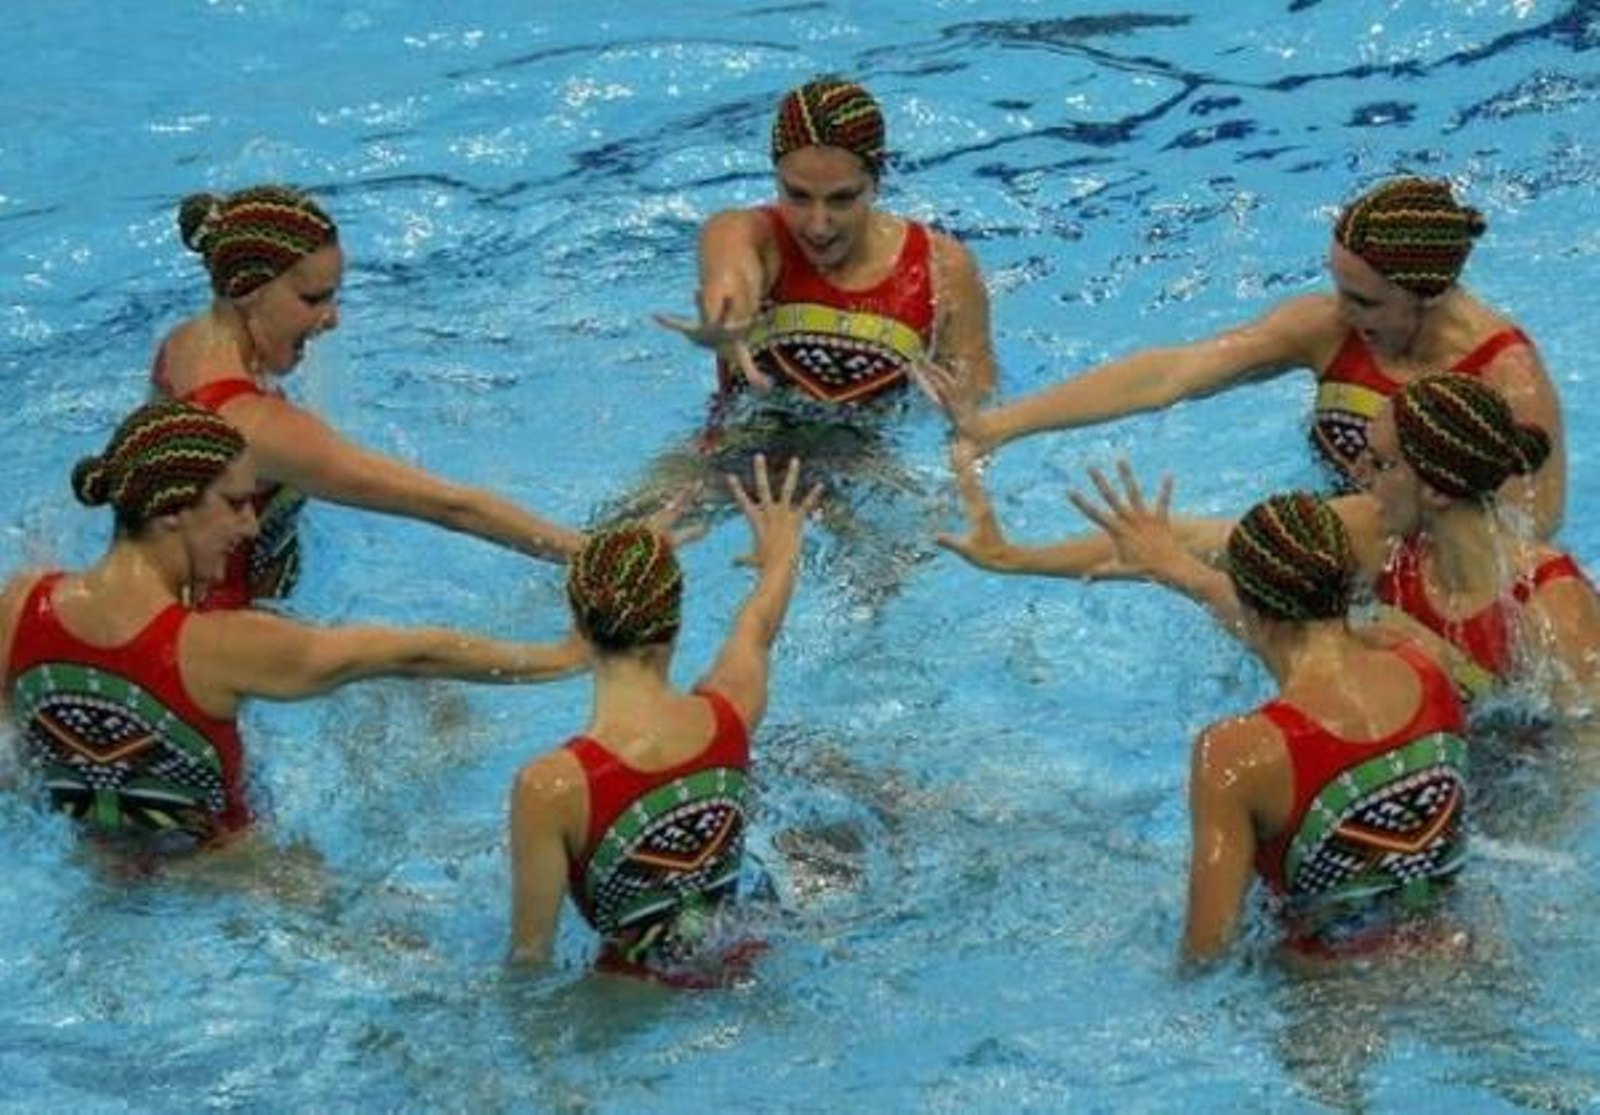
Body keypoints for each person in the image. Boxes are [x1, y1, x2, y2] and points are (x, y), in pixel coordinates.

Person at [940, 459, 1471, 963]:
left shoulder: (1239, 754)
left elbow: (1208, 951)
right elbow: (1296, 626)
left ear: (1256, 613)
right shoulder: (1427, 662)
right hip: (1460, 942)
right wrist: (1179, 568)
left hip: (1329, 996)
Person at [0, 401, 587, 852]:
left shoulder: (23, 602)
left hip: (93, 863)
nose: (252, 528)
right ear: (173, 510)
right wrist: (564, 658)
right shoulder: (216, 646)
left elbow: (15, 767)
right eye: (234, 504)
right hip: (226, 874)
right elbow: (412, 655)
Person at [919, 176, 1566, 538]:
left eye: (1364, 301)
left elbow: (1519, 539)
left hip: (1411, 556)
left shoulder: (1504, 380)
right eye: (1337, 287)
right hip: (1329, 538)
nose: (1340, 312)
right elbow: (1173, 373)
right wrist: (1000, 424)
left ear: (1429, 292)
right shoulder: (1330, 325)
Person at [940, 373, 1600, 713]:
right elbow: (1196, 542)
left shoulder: (1551, 604)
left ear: (1438, 490)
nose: (1361, 476)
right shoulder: (1378, 533)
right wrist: (1016, 557)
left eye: (1382, 465)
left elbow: (1579, 769)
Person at [152, 184, 585, 608]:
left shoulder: (184, 345)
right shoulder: (260, 429)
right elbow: (456, 508)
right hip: (236, 655)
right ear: (247, 290)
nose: (332, 319)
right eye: (312, 299)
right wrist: (592, 556)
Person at [507, 455, 821, 984]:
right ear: (676, 622)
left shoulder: (551, 787)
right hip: (740, 954)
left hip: (631, 1004)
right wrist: (782, 552)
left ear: (578, 624)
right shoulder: (731, 711)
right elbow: (758, 623)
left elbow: (528, 965)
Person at [655, 76, 996, 416]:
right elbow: (731, 285)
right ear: (776, 178)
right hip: (728, 461)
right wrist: (725, 324)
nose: (818, 225)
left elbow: (978, 408)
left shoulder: (943, 268)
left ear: (875, 184)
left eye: (842, 198)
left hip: (870, 468)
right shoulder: (743, 233)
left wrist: (964, 408)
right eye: (798, 195)